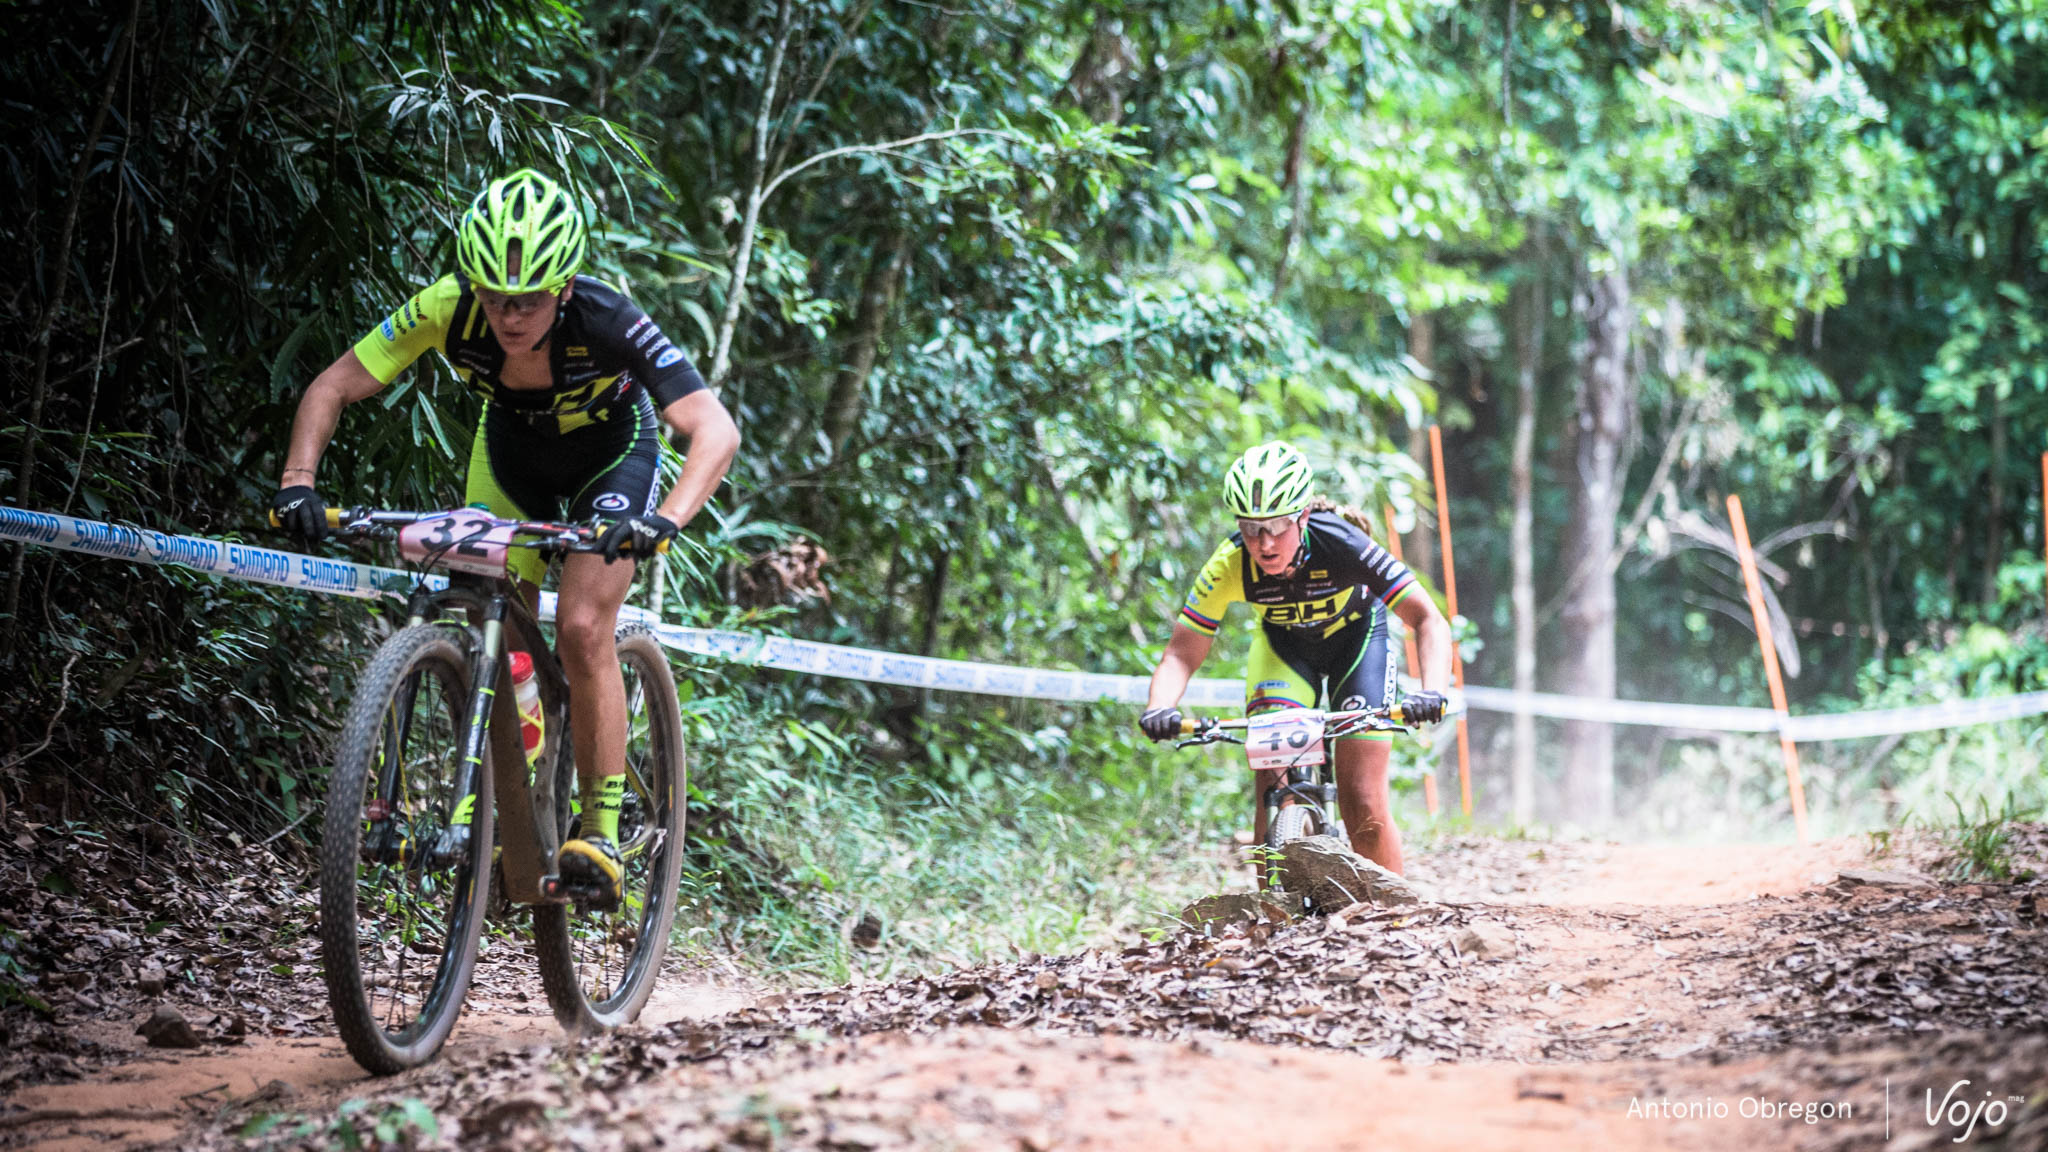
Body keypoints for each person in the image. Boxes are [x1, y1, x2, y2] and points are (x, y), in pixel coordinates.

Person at [272, 168, 739, 905]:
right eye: (493, 297)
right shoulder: (447, 309)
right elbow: (331, 386)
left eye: (525, 300)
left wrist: (664, 521)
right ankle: (514, 791)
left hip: (610, 459)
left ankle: (601, 830)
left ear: (563, 287)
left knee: (583, 628)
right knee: (496, 628)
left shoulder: (608, 320)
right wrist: (299, 481)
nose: (507, 316)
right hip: (511, 458)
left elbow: (714, 428)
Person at [1139, 441, 1453, 875]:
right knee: (1271, 785)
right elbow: (1180, 653)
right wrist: (1160, 706)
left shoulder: (1343, 545)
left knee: (1361, 798)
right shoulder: (1228, 565)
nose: (1264, 544)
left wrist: (1433, 690)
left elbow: (1428, 620)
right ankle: (1274, 921)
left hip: (1358, 644)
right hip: (1286, 651)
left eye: (1277, 527)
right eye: (1251, 529)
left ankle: (1395, 918)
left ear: (1303, 517)